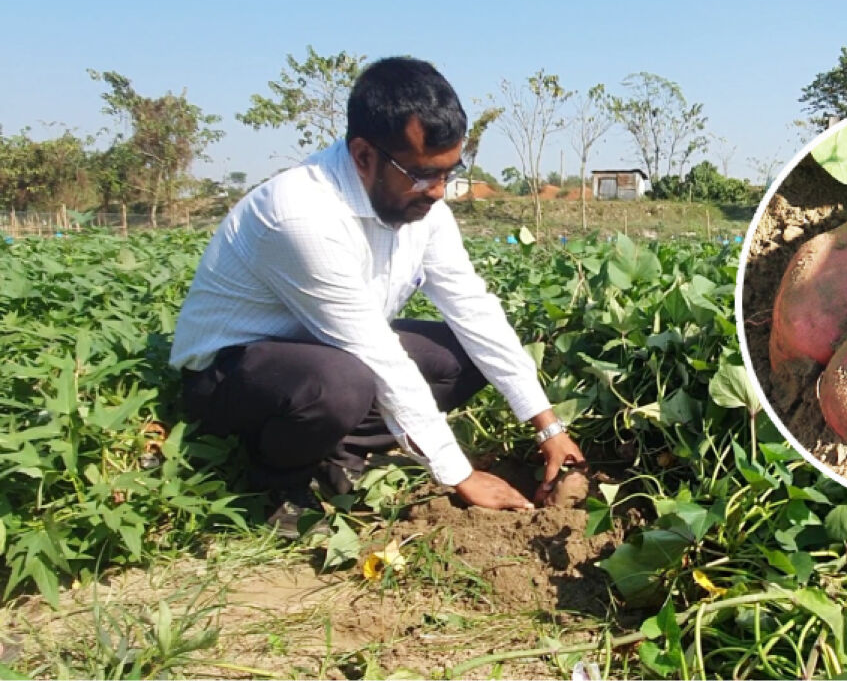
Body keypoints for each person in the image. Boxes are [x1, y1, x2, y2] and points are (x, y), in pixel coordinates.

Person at [170, 56, 586, 537]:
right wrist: (459, 474)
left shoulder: (423, 207)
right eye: (424, 174)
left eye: (449, 172)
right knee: (341, 382)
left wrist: (548, 426)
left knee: (463, 354)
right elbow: (377, 354)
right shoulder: (299, 213)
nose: (438, 192)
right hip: (231, 380)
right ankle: (275, 483)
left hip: (327, 357)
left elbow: (474, 309)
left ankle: (334, 454)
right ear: (364, 156)